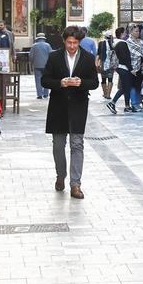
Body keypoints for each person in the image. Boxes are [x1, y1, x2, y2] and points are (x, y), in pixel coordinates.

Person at [43, 26, 99, 199]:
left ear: (79, 42)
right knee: (58, 146)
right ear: (64, 41)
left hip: (78, 106)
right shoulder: (54, 57)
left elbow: (95, 83)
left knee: (77, 144)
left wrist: (81, 83)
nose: (72, 46)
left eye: (75, 43)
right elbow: (44, 80)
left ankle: (76, 184)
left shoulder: (88, 58)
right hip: (58, 106)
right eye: (69, 42)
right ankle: (61, 175)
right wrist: (60, 83)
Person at [106, 27, 133, 114]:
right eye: (125, 33)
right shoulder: (122, 44)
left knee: (125, 87)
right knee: (125, 87)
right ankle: (113, 103)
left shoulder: (116, 43)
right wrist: (131, 68)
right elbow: (125, 58)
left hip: (119, 67)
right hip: (124, 68)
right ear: (121, 34)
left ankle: (126, 106)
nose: (126, 34)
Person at [127, 24, 143, 112]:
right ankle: (134, 104)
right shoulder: (128, 42)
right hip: (132, 67)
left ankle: (138, 102)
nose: (138, 33)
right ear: (131, 32)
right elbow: (130, 54)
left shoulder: (141, 42)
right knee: (132, 85)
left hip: (141, 66)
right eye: (136, 31)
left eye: (138, 31)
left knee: (139, 85)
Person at [30, 32, 52, 100]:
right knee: (46, 79)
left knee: (38, 80)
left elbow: (31, 56)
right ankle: (45, 94)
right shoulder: (47, 45)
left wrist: (31, 63)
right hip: (46, 66)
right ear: (44, 39)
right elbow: (51, 55)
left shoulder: (34, 46)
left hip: (37, 65)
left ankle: (39, 94)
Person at [97, 31, 115, 97]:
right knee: (110, 79)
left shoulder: (101, 43)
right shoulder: (113, 44)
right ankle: (108, 95)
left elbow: (98, 54)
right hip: (111, 63)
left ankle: (105, 93)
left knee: (103, 79)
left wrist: (96, 63)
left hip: (103, 63)